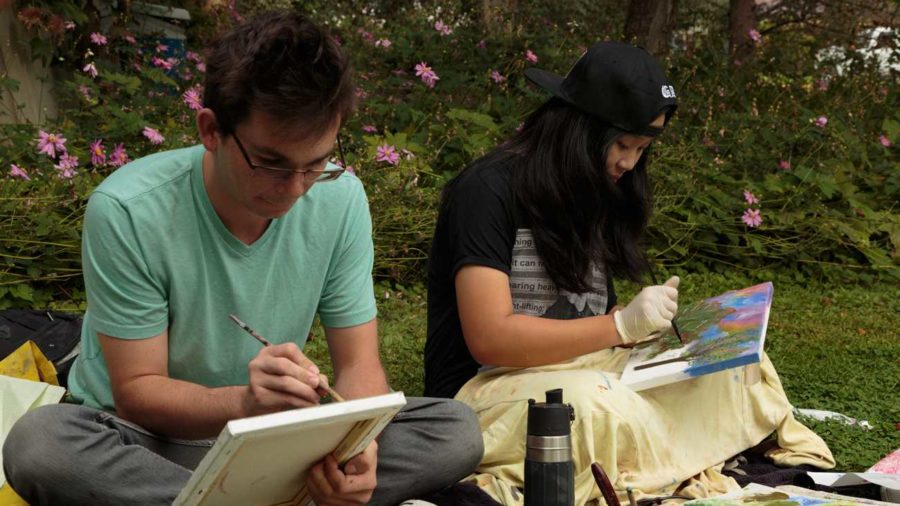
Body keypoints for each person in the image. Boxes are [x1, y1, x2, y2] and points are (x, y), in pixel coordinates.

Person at [3, 11, 482, 506]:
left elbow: (360, 365)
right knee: (41, 444)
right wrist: (247, 402)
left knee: (456, 429)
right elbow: (138, 393)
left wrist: (358, 448)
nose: (295, 189)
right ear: (211, 129)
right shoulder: (128, 209)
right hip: (149, 444)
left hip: (276, 445)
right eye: (271, 163)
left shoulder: (342, 199)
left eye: (316, 164)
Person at [425, 41, 834, 505]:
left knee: (736, 364)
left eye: (641, 149)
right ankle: (680, 453)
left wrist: (649, 333)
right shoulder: (487, 190)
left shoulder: (596, 186)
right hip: (483, 391)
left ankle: (661, 452)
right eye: (621, 144)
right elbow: (489, 338)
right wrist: (617, 326)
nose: (628, 162)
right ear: (577, 128)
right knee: (591, 405)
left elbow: (589, 326)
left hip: (585, 370)